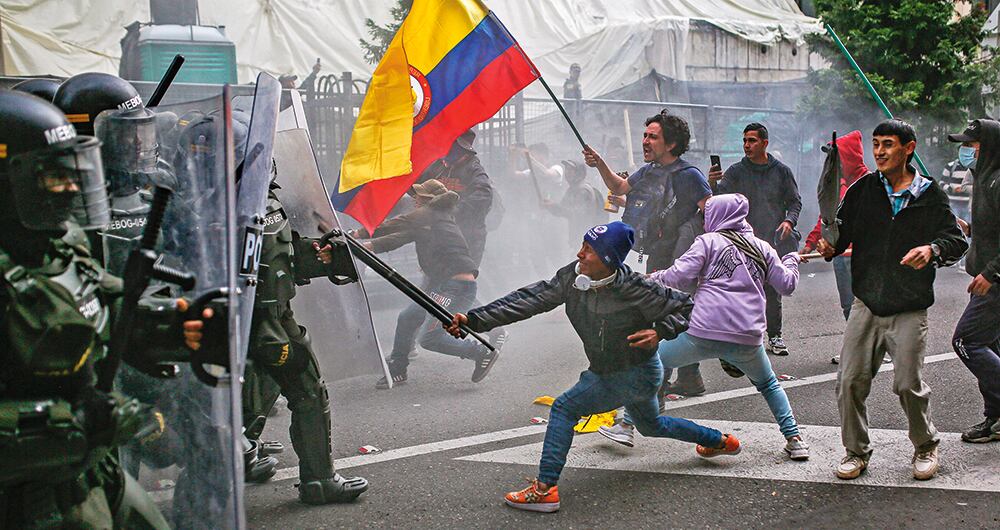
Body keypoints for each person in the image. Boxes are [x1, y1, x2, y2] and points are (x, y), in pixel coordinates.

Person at [445, 221, 740, 514]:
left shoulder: (637, 288)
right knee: (652, 426)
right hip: (631, 373)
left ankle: (545, 490)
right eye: (583, 246)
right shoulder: (573, 279)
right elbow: (529, 299)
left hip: (631, 373)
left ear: (609, 258)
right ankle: (721, 441)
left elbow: (687, 307)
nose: (579, 254)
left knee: (564, 408)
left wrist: (659, 331)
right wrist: (475, 320)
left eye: (589, 250)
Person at [0, 89, 176, 529]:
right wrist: (71, 424)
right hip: (29, 501)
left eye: (74, 173)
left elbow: (110, 304)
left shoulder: (64, 244)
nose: (73, 188)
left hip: (95, 473)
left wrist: (172, 324)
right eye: (54, 177)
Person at [599, 194, 809, 460]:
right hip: (748, 336)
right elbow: (787, 284)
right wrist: (790, 259)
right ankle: (795, 439)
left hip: (703, 331)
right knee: (768, 384)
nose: (705, 218)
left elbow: (677, 276)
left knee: (650, 360)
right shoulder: (763, 248)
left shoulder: (708, 242)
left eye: (708, 213)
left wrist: (649, 279)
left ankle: (627, 424)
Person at [817, 119, 968, 481]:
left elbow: (956, 240)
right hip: (866, 302)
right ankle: (856, 451)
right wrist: (829, 245)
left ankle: (926, 445)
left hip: (909, 306)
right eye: (877, 144)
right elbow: (841, 232)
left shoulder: (929, 195)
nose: (880, 152)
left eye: (888, 144)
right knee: (849, 381)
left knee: (906, 384)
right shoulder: (862, 190)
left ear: (908, 148)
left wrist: (931, 249)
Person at [583, 111, 711, 396]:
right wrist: (599, 163)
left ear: (671, 143)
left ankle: (656, 385)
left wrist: (698, 251)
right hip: (639, 254)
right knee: (648, 316)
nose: (645, 141)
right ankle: (689, 378)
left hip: (669, 260)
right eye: (645, 135)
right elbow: (618, 186)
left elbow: (711, 211)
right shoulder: (649, 171)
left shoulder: (688, 175)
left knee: (657, 319)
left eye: (653, 137)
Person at [353, 179, 505, 388]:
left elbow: (396, 224)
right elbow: (398, 237)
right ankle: (398, 369)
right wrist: (366, 246)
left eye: (420, 196)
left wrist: (357, 234)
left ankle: (480, 352)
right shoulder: (429, 222)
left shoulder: (433, 214)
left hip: (455, 286)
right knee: (407, 318)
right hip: (442, 285)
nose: (415, 199)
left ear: (431, 199)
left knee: (431, 339)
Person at [710, 123, 802, 356]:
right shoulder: (735, 171)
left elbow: (794, 202)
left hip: (772, 241)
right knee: (742, 290)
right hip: (743, 242)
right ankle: (744, 337)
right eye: (745, 141)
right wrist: (712, 183)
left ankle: (775, 336)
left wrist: (789, 221)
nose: (747, 145)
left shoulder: (781, 171)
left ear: (764, 143)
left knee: (772, 291)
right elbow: (720, 200)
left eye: (752, 141)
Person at [947, 119, 1000, 444]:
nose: (967, 150)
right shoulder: (984, 179)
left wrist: (991, 273)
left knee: (967, 341)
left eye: (972, 144)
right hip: (985, 277)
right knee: (991, 345)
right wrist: (970, 229)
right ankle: (994, 418)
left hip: (993, 282)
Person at [420, 130, 494, 268]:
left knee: (460, 280)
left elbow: (484, 195)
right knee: (435, 278)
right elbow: (416, 184)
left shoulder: (473, 168)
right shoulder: (438, 166)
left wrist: (452, 210)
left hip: (467, 238)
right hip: (439, 235)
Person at [543, 159, 607, 253]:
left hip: (587, 238)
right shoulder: (572, 190)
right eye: (567, 170)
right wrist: (549, 206)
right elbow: (562, 210)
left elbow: (577, 213)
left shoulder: (583, 191)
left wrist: (554, 206)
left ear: (579, 173)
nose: (567, 173)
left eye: (571, 170)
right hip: (578, 238)